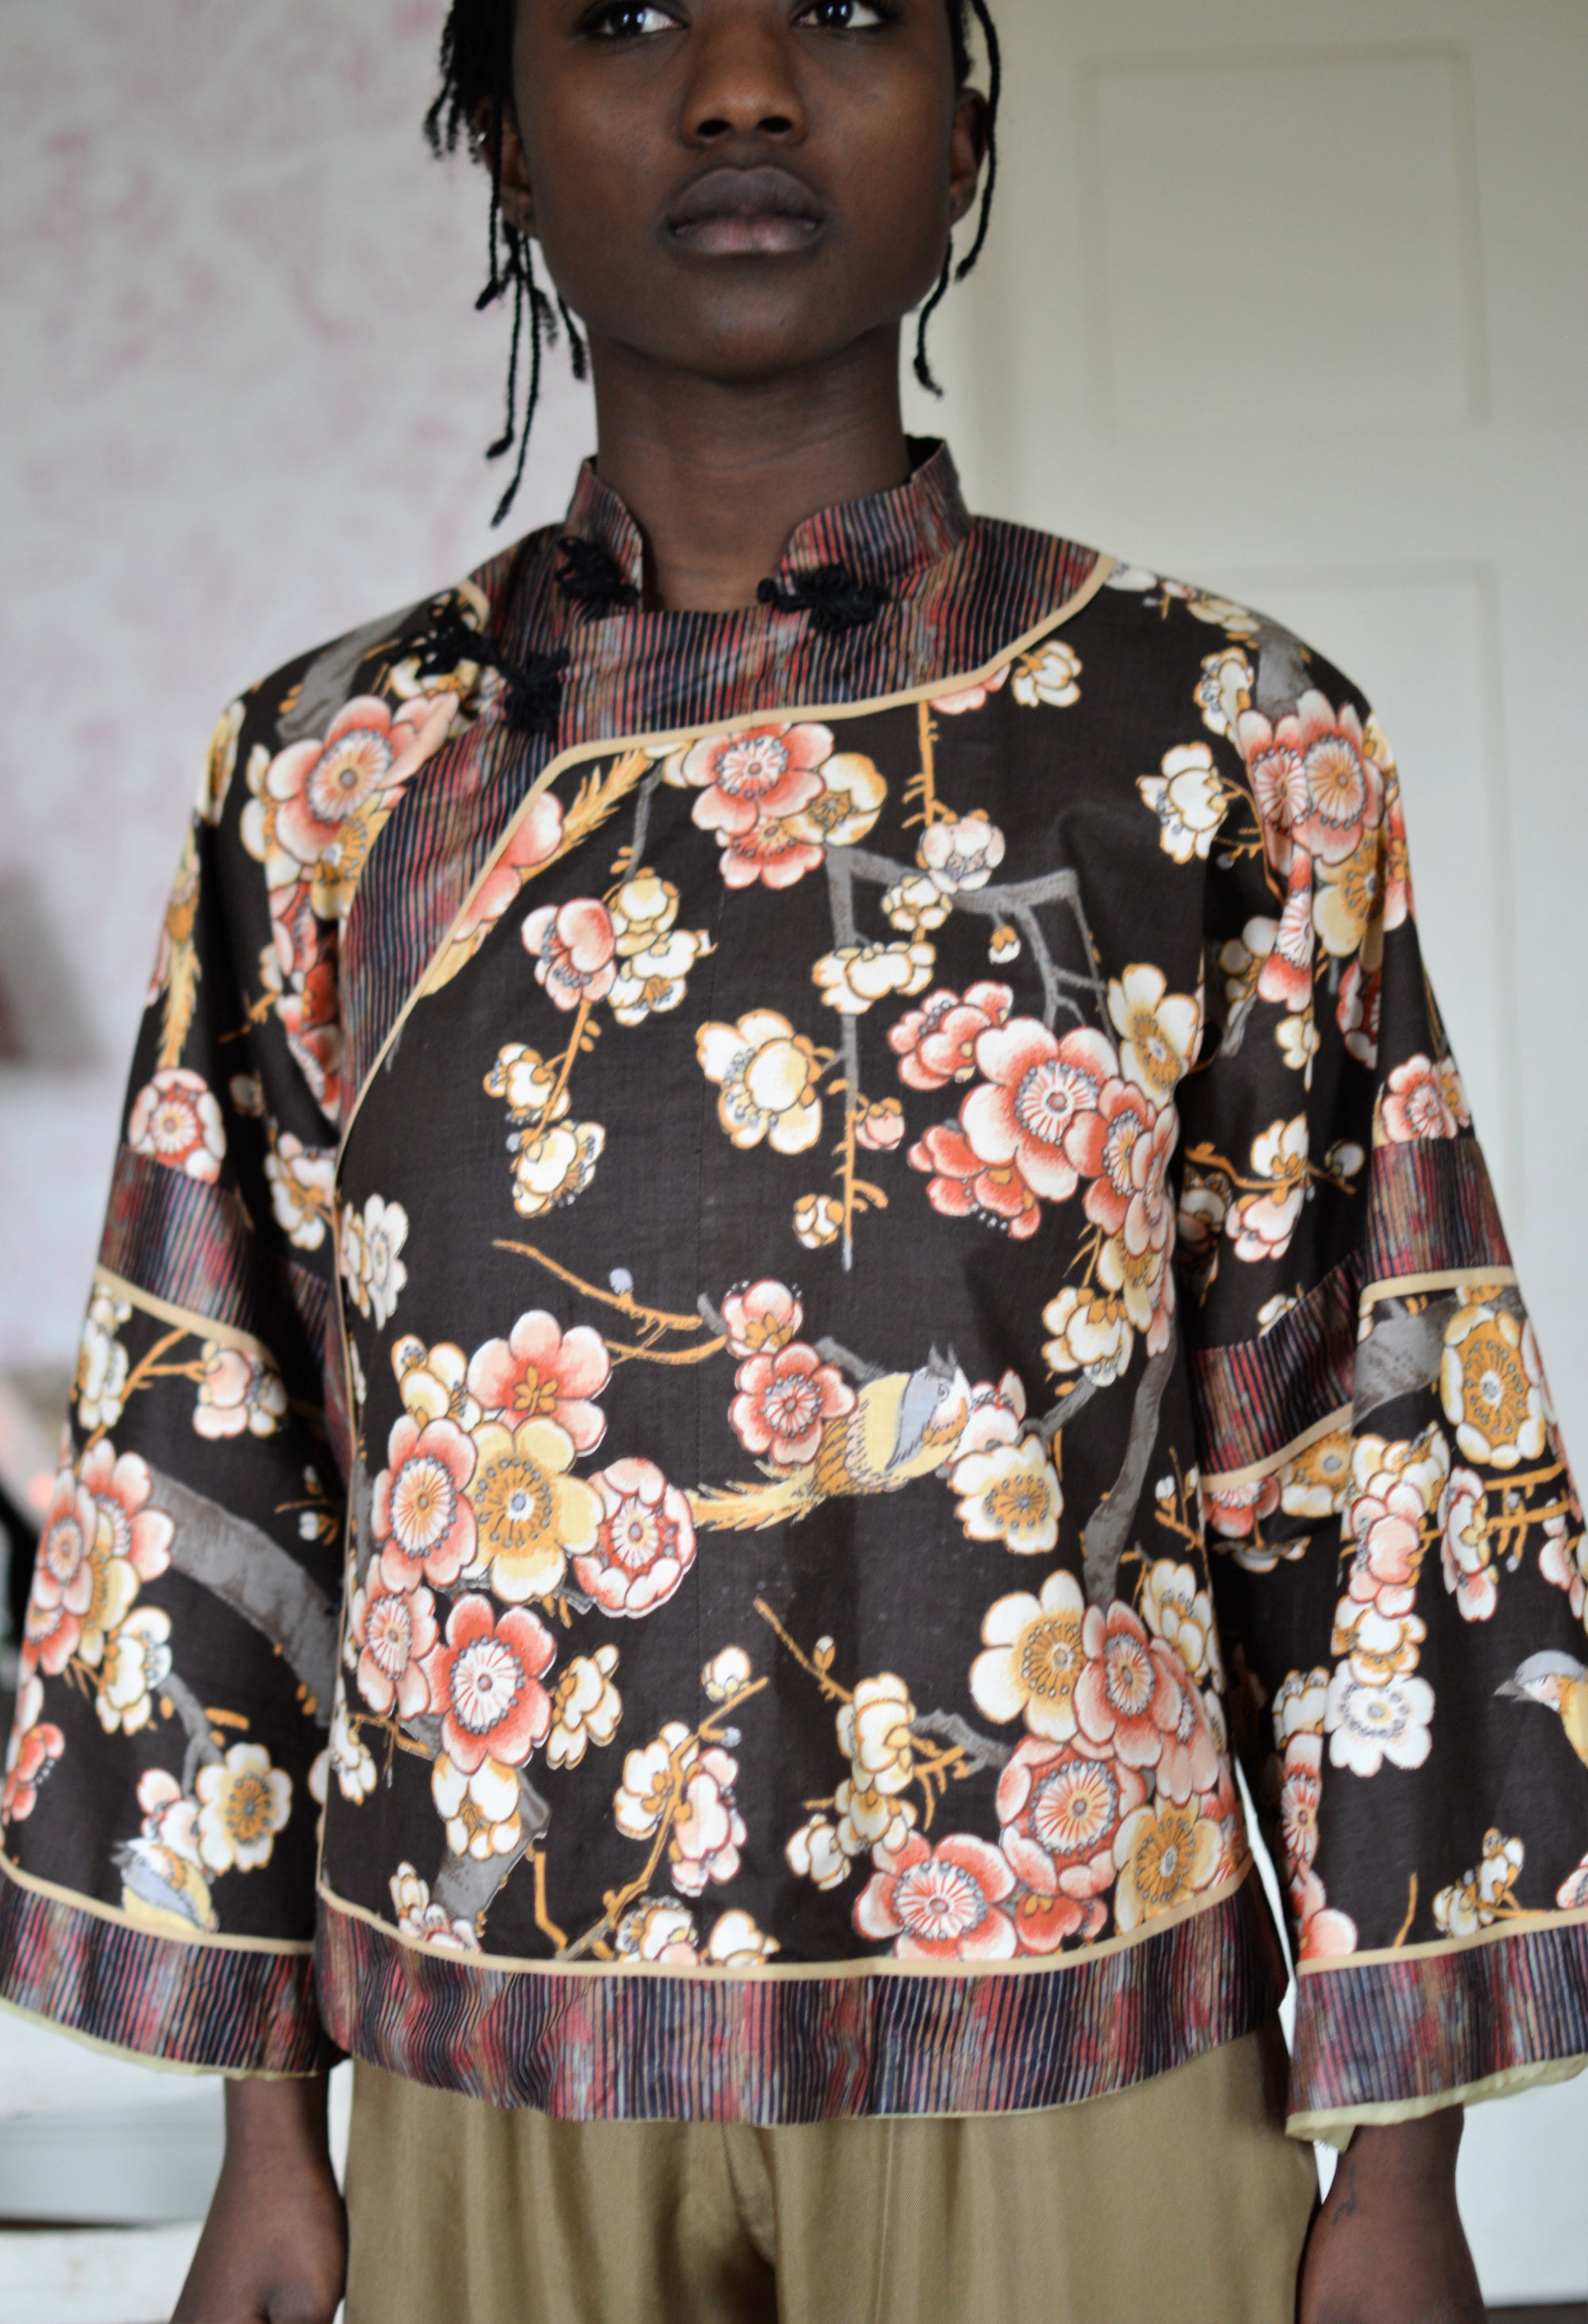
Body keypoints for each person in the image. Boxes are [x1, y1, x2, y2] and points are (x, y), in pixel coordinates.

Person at [2, 2, 1585, 2318]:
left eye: (843, 9)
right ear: (507, 144)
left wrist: (1398, 2166)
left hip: (1082, 2041)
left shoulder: (1226, 741)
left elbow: (1383, 1458)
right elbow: (222, 1442)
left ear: (961, 125)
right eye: (629, 15)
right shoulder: (331, 782)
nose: (741, 86)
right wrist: (273, 2132)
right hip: (482, 2051)